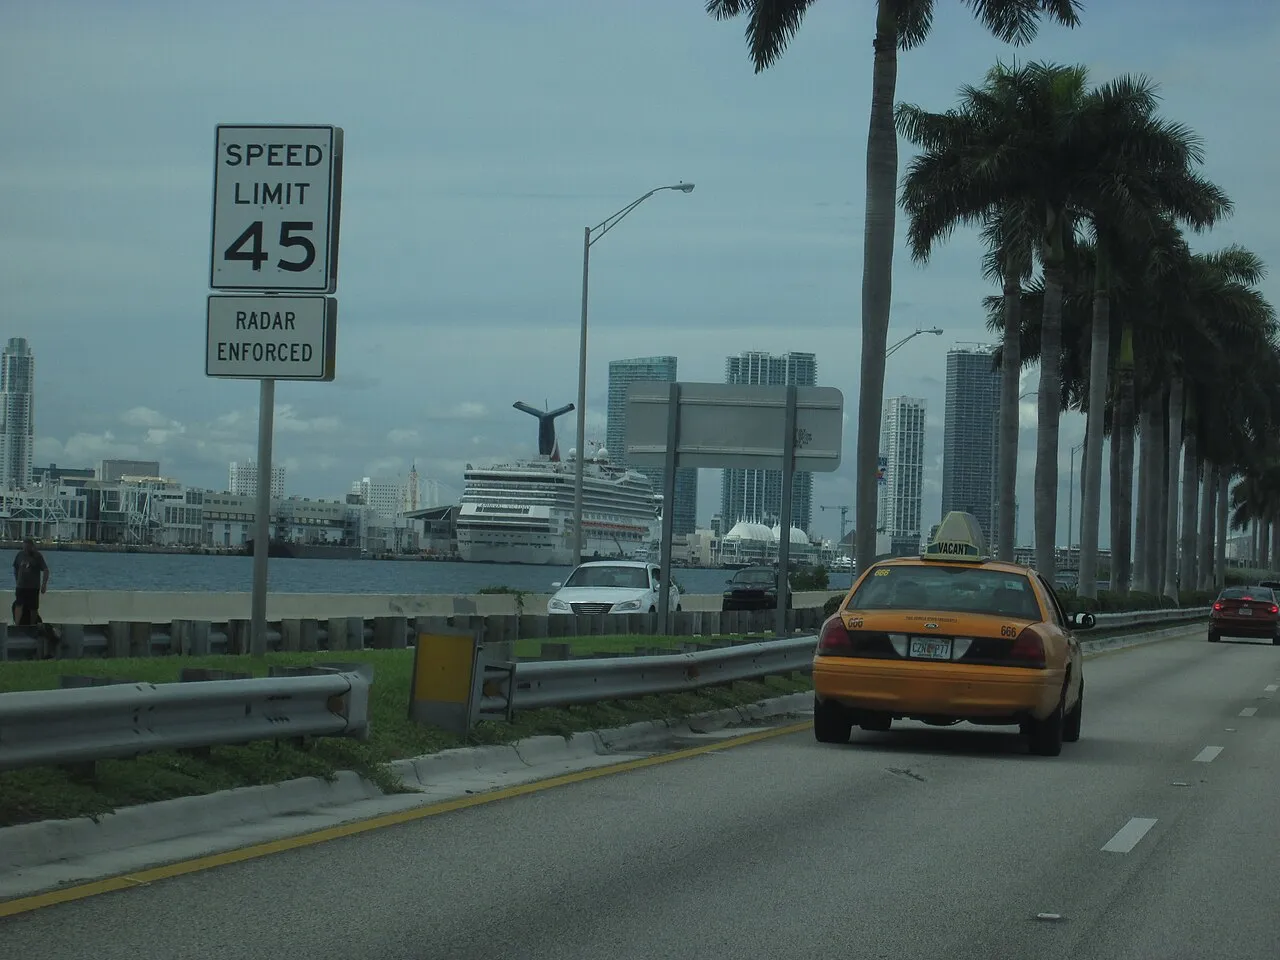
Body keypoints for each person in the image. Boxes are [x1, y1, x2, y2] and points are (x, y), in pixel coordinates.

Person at [13, 537, 50, 626]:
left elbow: (46, 570)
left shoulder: (37, 556)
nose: (26, 548)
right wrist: (17, 580)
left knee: (33, 608)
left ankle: (32, 625)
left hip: (33, 587)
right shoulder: (19, 555)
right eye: (24, 545)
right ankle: (17, 625)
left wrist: (44, 585)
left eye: (28, 545)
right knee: (19, 605)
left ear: (32, 546)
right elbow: (15, 568)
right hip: (21, 586)